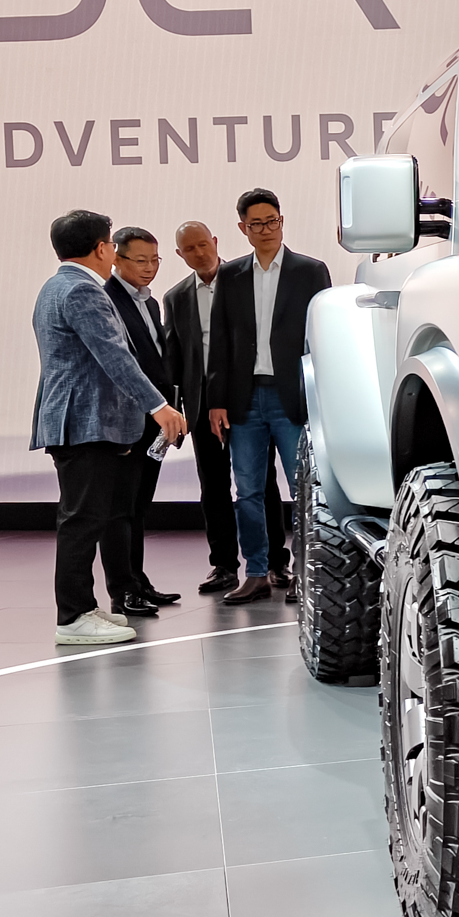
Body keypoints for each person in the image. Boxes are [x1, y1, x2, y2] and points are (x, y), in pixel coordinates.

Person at [31, 210, 188, 645]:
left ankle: (83, 607)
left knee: (86, 517)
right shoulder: (83, 290)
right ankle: (74, 616)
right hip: (87, 422)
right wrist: (160, 407)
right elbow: (115, 356)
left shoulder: (56, 286)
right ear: (102, 249)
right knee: (83, 520)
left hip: (78, 420)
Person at [207, 189, 331, 604]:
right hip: (244, 400)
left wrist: (321, 395)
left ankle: (305, 571)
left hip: (291, 397)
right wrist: (216, 400)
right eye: (256, 224)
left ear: (282, 220)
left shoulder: (310, 271)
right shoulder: (231, 275)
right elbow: (220, 341)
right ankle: (257, 572)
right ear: (243, 228)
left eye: (272, 220)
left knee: (304, 490)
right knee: (248, 492)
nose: (266, 230)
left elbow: (323, 338)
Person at [164, 221, 288, 596]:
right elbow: (174, 357)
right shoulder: (176, 297)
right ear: (180, 255)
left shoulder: (242, 279)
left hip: (244, 397)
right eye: (191, 249)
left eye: (204, 244)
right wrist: (173, 409)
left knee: (261, 483)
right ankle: (223, 565)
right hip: (201, 404)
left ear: (216, 242)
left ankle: (275, 563)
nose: (200, 253)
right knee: (213, 485)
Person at [103, 227, 182, 615]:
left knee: (138, 506)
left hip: (154, 420)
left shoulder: (150, 303)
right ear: (116, 258)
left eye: (155, 260)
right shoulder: (105, 298)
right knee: (119, 509)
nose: (150, 268)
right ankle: (123, 589)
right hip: (124, 420)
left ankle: (137, 580)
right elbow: (119, 364)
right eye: (140, 260)